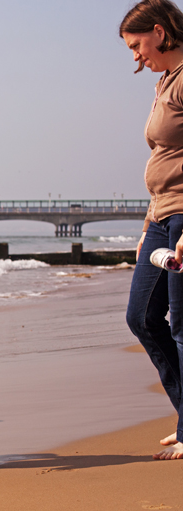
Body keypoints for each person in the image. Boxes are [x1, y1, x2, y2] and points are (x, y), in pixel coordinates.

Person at [120, 0, 183, 460]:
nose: (136, 57)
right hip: (160, 216)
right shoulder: (165, 82)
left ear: (160, 32)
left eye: (137, 45)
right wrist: (147, 225)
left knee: (181, 323)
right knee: (141, 317)